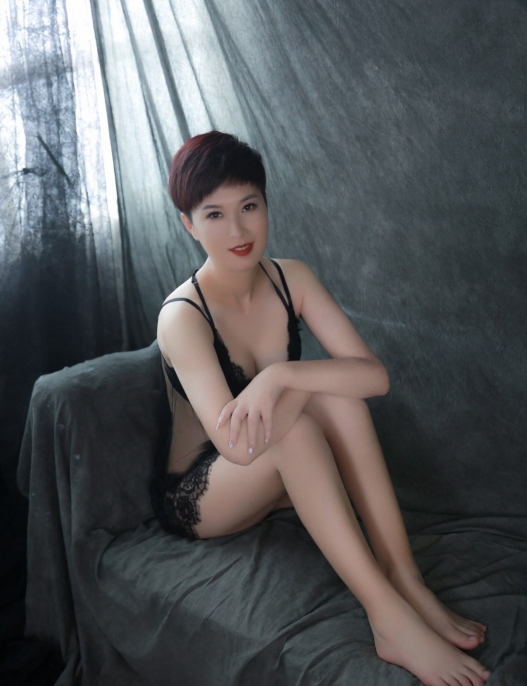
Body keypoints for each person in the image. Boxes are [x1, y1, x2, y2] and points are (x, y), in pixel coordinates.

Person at [153, 131, 491, 686]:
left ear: (266, 204)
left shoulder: (293, 278)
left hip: (273, 477)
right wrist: (304, 387)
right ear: (189, 224)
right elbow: (238, 447)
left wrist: (283, 376)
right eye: (214, 215)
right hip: (204, 490)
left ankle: (407, 579)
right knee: (303, 426)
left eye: (249, 207)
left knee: (340, 401)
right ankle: (388, 618)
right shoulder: (183, 316)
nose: (238, 231)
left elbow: (374, 377)